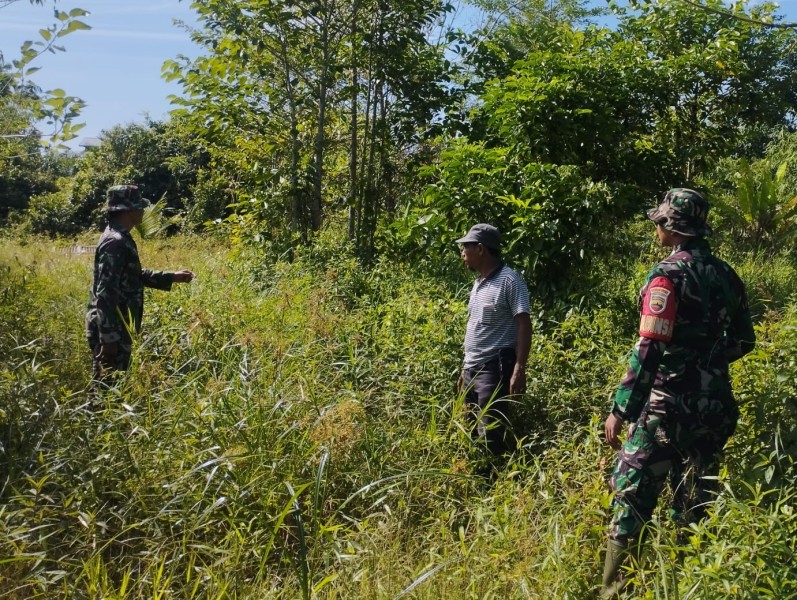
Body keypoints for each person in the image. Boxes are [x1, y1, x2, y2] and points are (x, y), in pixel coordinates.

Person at [600, 188, 756, 596]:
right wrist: (707, 364)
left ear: (671, 225)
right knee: (694, 495)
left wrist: (622, 409)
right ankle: (691, 582)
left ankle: (613, 589)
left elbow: (651, 347)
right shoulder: (727, 275)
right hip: (715, 406)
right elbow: (745, 340)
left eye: (659, 221)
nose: (655, 228)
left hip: (666, 406)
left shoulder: (667, 276)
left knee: (631, 492)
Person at [85, 184, 194, 384]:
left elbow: (132, 275)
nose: (143, 210)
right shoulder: (115, 242)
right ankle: (97, 416)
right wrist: (108, 339)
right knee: (105, 389)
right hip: (113, 329)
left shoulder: (119, 237)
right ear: (129, 210)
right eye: (139, 206)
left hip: (117, 327)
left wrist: (171, 277)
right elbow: (105, 291)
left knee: (112, 386)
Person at [456, 223, 532, 460]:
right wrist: (464, 368)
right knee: (469, 430)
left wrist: (519, 368)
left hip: (494, 368)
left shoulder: (510, 280)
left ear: (480, 249)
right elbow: (475, 327)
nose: (462, 253)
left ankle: (494, 483)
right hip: (471, 369)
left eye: (465, 248)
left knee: (490, 432)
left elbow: (524, 324)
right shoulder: (478, 283)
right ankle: (476, 482)